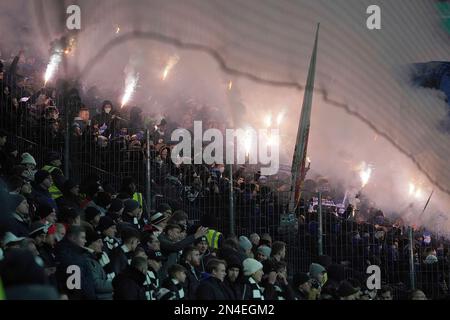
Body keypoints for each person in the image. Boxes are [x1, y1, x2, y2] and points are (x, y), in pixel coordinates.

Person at [54, 226, 96, 300]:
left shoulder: (75, 254)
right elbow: (75, 289)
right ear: (73, 238)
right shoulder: (71, 258)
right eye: (82, 238)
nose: (85, 241)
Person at [84, 230, 114, 300]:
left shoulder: (95, 257)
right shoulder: (87, 260)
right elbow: (96, 284)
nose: (102, 244)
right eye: (99, 241)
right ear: (91, 243)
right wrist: (116, 284)